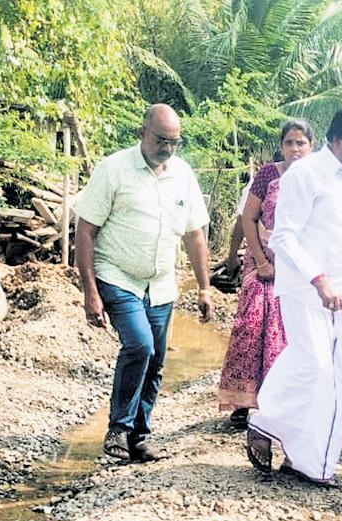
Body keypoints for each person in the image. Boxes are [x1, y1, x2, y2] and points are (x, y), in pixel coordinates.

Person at [245, 104, 342, 486]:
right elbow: (285, 236)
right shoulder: (306, 174)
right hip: (307, 289)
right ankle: (265, 422)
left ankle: (307, 462)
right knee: (315, 365)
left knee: (336, 380)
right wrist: (318, 280)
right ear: (336, 139)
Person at [75, 104, 213, 462]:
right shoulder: (114, 169)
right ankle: (118, 430)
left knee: (157, 361)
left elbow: (195, 234)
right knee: (140, 345)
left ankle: (138, 437)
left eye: (175, 142)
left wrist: (204, 287)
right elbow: (86, 231)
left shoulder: (183, 175)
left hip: (162, 283)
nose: (168, 147)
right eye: (161, 139)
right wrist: (90, 291)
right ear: (143, 132)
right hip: (117, 274)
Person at [216, 119, 314, 428]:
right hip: (263, 263)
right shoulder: (268, 174)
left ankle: (279, 403)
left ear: (312, 146)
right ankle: (242, 403)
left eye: (301, 143)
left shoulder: (317, 178)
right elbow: (248, 218)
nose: (295, 149)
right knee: (252, 327)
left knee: (286, 334)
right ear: (281, 145)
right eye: (289, 143)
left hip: (298, 268)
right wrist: (260, 261)